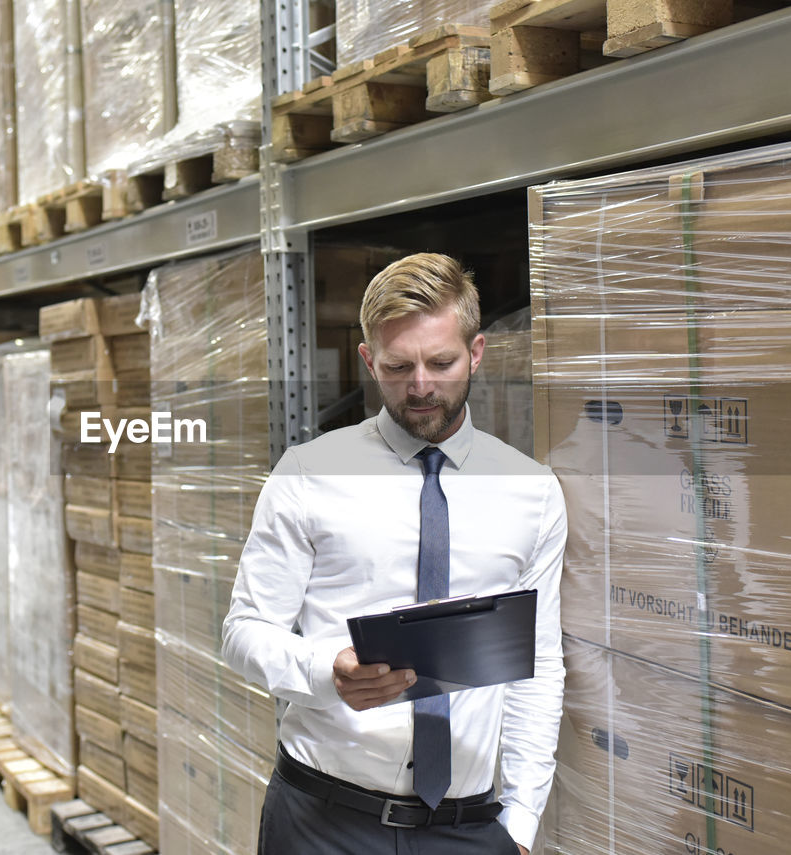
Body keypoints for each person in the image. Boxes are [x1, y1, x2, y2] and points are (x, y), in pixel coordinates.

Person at [221, 253, 566, 854]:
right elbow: (244, 632)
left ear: (477, 353)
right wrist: (325, 673)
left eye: (442, 362)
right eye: (397, 366)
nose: (422, 385)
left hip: (469, 828)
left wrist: (519, 823)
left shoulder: (530, 493)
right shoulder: (308, 474)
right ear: (368, 360)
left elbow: (536, 666)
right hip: (323, 821)